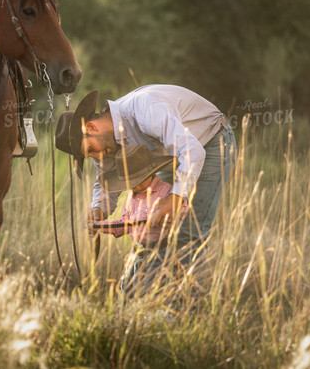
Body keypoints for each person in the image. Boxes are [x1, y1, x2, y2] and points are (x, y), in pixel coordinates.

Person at [55, 85, 236, 283]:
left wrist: (176, 197)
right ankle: (156, 304)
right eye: (89, 155)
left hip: (209, 143)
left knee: (188, 234)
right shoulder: (105, 143)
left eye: (91, 150)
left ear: (91, 127)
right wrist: (98, 209)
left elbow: (192, 151)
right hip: (171, 156)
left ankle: (191, 308)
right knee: (158, 236)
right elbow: (105, 183)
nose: (96, 157)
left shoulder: (145, 109)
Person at [94, 145, 190, 297]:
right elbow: (125, 224)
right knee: (126, 287)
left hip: (159, 252)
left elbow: (184, 209)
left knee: (150, 288)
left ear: (150, 173)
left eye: (137, 181)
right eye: (129, 183)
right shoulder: (131, 197)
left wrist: (163, 215)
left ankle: (149, 316)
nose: (134, 186)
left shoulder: (166, 191)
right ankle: (124, 315)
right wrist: (100, 227)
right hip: (137, 251)